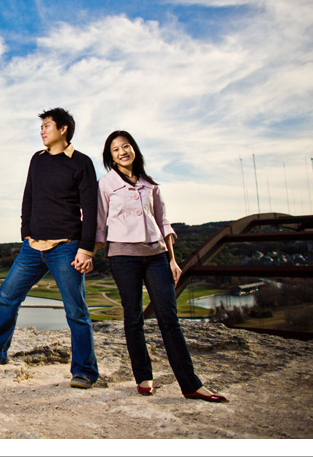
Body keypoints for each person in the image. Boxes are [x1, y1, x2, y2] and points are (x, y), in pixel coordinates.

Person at [0, 108, 99, 389]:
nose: (41, 131)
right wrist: (25, 232)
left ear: (63, 129)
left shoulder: (81, 163)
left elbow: (91, 209)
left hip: (66, 247)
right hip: (33, 248)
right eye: (41, 127)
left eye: (46, 126)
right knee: (7, 295)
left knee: (76, 310)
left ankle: (85, 371)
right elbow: (29, 197)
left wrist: (86, 249)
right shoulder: (36, 160)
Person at [94, 130, 228, 403]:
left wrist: (172, 259)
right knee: (133, 318)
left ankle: (191, 385)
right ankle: (143, 376)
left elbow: (163, 222)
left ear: (134, 149)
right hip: (122, 257)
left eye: (126, 146)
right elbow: (97, 223)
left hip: (156, 255)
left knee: (169, 319)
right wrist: (85, 252)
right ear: (110, 156)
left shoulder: (150, 184)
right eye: (115, 149)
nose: (122, 152)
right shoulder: (105, 184)